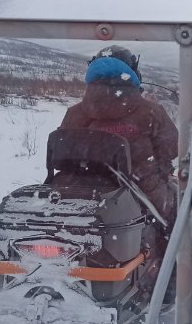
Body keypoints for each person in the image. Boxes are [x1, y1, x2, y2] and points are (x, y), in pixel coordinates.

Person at [58, 45, 179, 228]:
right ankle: (178, 255)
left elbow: (61, 154)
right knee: (185, 215)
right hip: (143, 193)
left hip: (76, 193)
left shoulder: (74, 114)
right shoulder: (152, 111)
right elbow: (172, 148)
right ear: (134, 73)